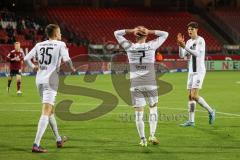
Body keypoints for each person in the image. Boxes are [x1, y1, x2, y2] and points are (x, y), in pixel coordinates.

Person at [24, 24, 76, 153]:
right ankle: (36, 144)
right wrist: (73, 68)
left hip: (39, 80)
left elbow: (26, 59)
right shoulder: (60, 44)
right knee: (46, 111)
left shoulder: (39, 45)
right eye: (59, 32)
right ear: (55, 33)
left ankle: (58, 139)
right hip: (51, 81)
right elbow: (67, 59)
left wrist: (33, 67)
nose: (61, 35)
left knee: (50, 111)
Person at [114, 26, 168, 147]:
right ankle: (152, 135)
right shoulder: (151, 45)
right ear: (146, 35)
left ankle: (143, 139)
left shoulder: (130, 47)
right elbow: (165, 34)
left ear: (135, 35)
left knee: (139, 113)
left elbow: (116, 33)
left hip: (136, 84)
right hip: (150, 83)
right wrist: (150, 31)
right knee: (153, 107)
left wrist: (131, 30)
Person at [177, 21, 216, 127]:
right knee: (190, 96)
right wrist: (180, 45)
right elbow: (181, 56)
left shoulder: (200, 40)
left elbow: (197, 54)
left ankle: (211, 111)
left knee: (194, 95)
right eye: (188, 29)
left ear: (197, 30)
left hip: (199, 71)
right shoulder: (189, 42)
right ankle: (191, 121)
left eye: (192, 29)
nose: (190, 31)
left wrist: (184, 46)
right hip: (191, 71)